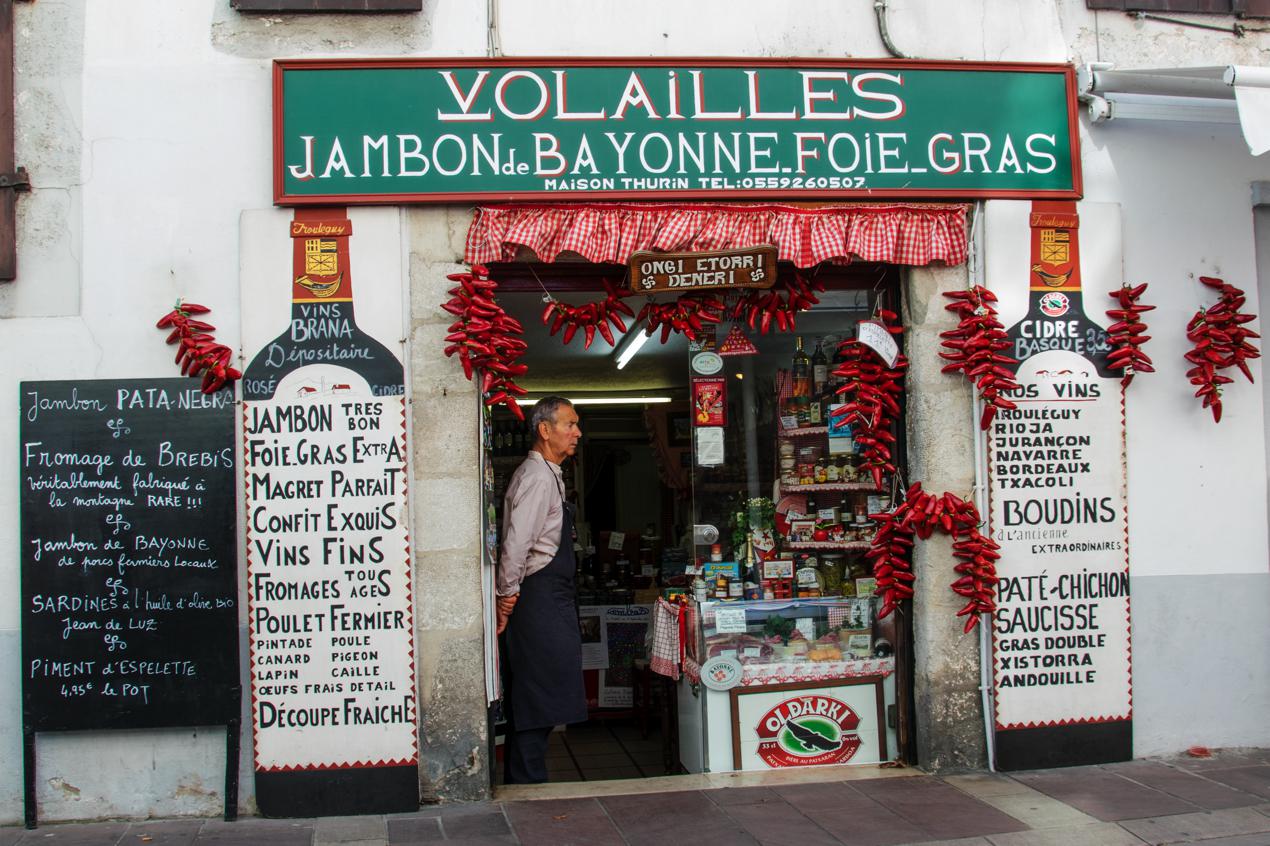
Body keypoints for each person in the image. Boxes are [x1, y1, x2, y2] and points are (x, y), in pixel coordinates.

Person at [496, 396, 587, 784]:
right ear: (545, 430)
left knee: (545, 693)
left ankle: (525, 779)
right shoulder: (536, 478)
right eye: (570, 424)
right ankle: (526, 783)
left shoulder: (550, 474)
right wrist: (507, 595)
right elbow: (517, 545)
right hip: (537, 600)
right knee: (539, 695)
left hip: (549, 598)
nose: (577, 432)